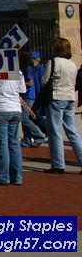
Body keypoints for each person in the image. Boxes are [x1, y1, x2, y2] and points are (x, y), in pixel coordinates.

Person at [41, 37, 82, 174]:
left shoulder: (53, 62)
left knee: (55, 131)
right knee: (72, 131)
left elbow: (45, 80)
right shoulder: (72, 64)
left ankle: (58, 164)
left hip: (56, 96)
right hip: (70, 97)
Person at [0, 65, 27, 185]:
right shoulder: (18, 72)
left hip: (0, 108)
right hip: (15, 109)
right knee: (14, 143)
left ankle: (3, 176)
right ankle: (17, 177)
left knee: (1, 144)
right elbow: (23, 91)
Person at [21, 51, 47, 147]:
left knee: (24, 118)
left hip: (29, 96)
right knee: (26, 118)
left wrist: (19, 85)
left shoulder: (29, 68)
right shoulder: (31, 68)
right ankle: (27, 140)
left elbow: (31, 83)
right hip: (29, 96)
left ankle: (39, 136)